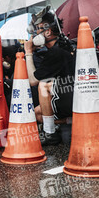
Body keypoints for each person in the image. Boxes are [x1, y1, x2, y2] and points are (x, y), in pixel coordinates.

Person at [24, 8, 75, 145]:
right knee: (37, 113)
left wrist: (28, 52)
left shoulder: (56, 51)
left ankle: (50, 133)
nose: (35, 34)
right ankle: (71, 120)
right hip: (71, 94)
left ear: (48, 31)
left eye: (39, 29)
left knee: (43, 85)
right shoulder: (62, 44)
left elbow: (33, 80)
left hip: (71, 95)